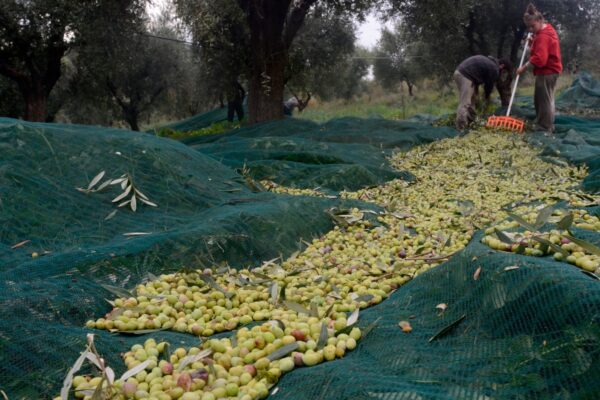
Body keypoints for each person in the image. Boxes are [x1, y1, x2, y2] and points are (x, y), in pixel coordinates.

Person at [517, 3, 562, 133]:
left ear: (539, 20)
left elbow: (540, 59)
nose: (531, 29)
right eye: (528, 27)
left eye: (533, 26)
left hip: (547, 71)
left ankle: (544, 128)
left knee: (543, 101)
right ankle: (547, 125)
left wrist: (524, 68)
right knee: (546, 99)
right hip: (552, 70)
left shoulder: (542, 36)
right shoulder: (547, 29)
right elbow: (542, 48)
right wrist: (532, 42)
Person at [454, 55, 512, 130]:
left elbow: (479, 73)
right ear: (502, 66)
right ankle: (460, 128)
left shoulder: (491, 63)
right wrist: (487, 97)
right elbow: (488, 85)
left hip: (466, 75)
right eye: (504, 71)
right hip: (464, 75)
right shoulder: (494, 69)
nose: (502, 74)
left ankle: (472, 122)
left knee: (472, 101)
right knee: (465, 103)